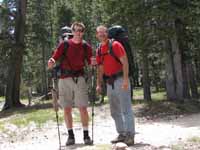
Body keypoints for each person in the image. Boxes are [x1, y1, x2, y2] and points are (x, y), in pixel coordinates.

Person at [48, 22, 93, 146]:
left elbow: (90, 62)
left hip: (80, 78)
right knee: (67, 109)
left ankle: (86, 135)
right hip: (64, 79)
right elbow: (55, 57)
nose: (78, 33)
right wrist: (51, 60)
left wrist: (93, 62)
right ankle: (71, 136)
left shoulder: (86, 46)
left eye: (81, 30)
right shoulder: (64, 44)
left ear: (83, 32)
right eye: (76, 30)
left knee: (82, 108)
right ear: (72, 32)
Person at [95, 25, 135, 145]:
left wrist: (126, 79)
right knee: (114, 111)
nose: (102, 34)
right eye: (99, 33)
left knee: (126, 108)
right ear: (96, 35)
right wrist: (98, 84)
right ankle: (122, 134)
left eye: (104, 32)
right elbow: (100, 69)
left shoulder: (115, 45)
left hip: (120, 79)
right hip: (109, 83)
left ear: (107, 33)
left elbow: (125, 62)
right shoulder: (99, 49)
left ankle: (130, 135)